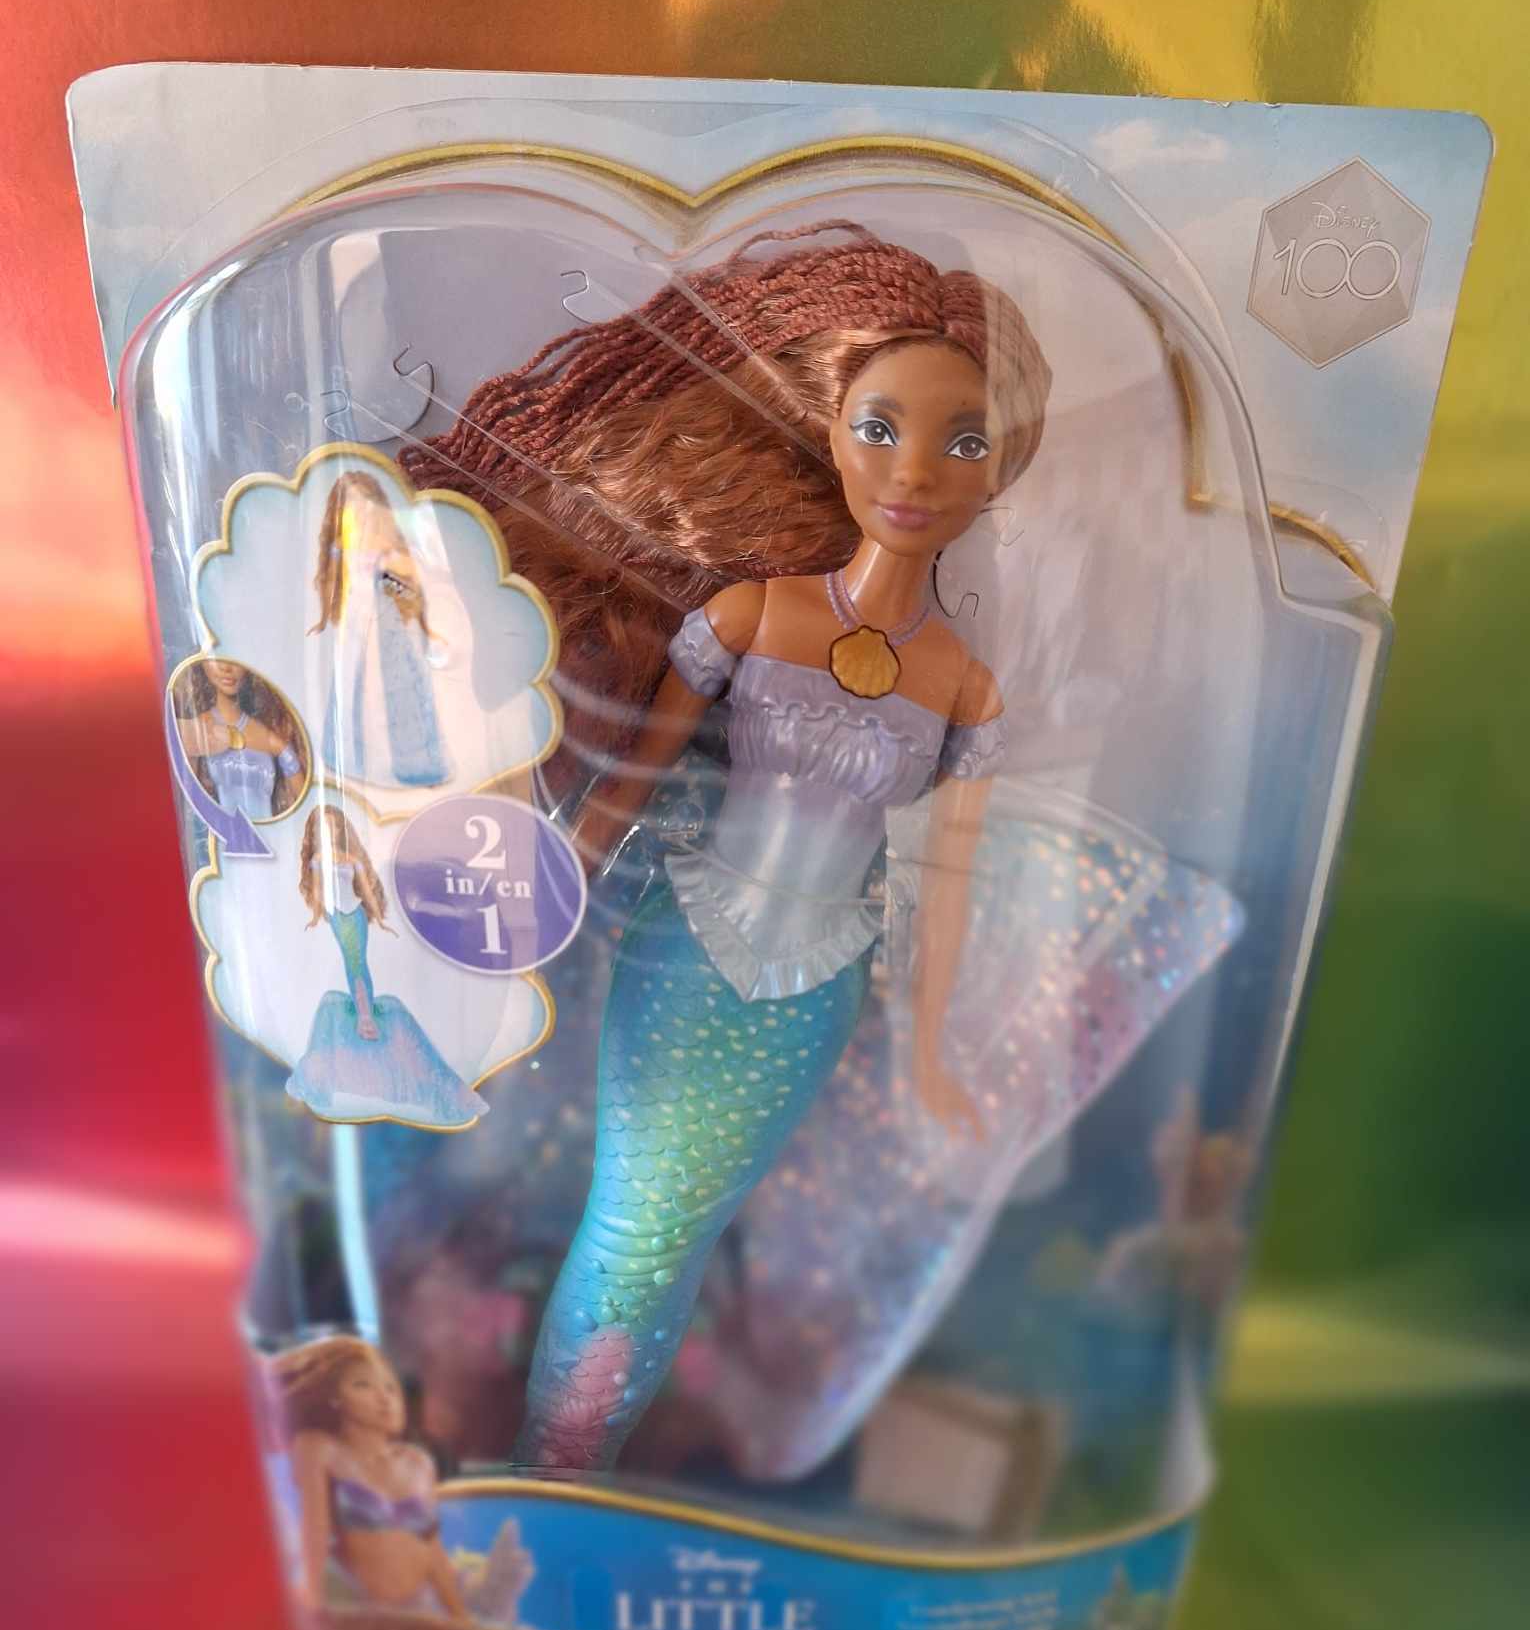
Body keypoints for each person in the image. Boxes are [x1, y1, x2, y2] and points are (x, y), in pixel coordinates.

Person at [403, 224, 1240, 1474]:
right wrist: (542, 894)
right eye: (880, 428)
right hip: (688, 950)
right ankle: (554, 1463)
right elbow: (632, 778)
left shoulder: (963, 689)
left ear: (999, 472)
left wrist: (930, 1051)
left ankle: (572, 1472)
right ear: (832, 433)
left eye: (965, 444)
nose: (917, 472)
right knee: (632, 1224)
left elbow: (940, 890)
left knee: (675, 1240)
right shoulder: (750, 616)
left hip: (812, 996)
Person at [285, 803, 487, 1128]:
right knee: (353, 963)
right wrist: (315, 917)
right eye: (323, 827)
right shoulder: (317, 860)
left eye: (333, 826)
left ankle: (366, 1016)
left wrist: (379, 919)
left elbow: (365, 891)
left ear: (340, 829)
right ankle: (363, 1014)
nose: (329, 832)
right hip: (337, 916)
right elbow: (320, 892)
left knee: (358, 963)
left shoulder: (350, 858)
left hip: (355, 914)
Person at [266, 1336, 467, 1619]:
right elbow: (315, 1530)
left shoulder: (418, 1462)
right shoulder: (319, 1448)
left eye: (391, 1388)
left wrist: (460, 1617)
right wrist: (313, 1599)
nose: (384, 1398)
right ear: (335, 1398)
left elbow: (432, 1549)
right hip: (354, 1603)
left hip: (417, 1607)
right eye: (363, 1385)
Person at [311, 469, 450, 788]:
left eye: (366, 508)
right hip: (356, 630)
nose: (361, 516)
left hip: (391, 632)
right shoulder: (341, 548)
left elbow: (414, 591)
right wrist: (325, 618)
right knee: (352, 689)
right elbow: (333, 585)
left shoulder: (391, 550)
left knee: (400, 693)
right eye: (352, 509)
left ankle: (411, 765)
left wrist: (425, 626)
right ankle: (354, 761)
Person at [173, 657, 304, 818]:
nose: (226, 668)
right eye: (217, 659)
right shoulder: (199, 729)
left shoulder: (271, 740)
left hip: (268, 830)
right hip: (221, 830)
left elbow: (306, 802)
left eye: (235, 659)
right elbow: (189, 802)